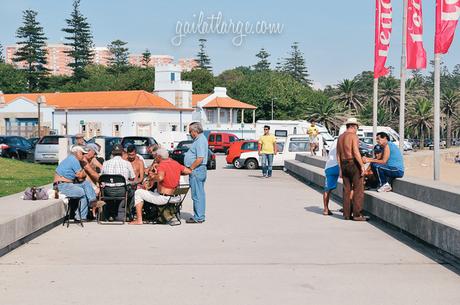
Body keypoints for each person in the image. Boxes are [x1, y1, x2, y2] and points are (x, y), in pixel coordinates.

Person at [129, 148, 192, 225]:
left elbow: (160, 177)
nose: (155, 158)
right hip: (176, 197)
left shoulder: (162, 165)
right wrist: (177, 173)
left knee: (138, 192)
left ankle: (139, 220)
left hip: (164, 198)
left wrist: (152, 178)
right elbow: (188, 171)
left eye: (156, 156)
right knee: (154, 190)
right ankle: (157, 214)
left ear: (159, 157)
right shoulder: (175, 163)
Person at [54, 147, 97, 221]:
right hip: (62, 186)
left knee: (85, 183)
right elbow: (81, 177)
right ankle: (80, 217)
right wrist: (83, 171)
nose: (83, 156)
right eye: (82, 153)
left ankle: (93, 201)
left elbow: (81, 178)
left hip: (67, 184)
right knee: (82, 192)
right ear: (76, 152)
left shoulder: (72, 159)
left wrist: (82, 173)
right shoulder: (73, 160)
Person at [337, 118, 367, 221]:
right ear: (354, 126)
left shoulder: (340, 137)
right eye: (357, 128)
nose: (356, 130)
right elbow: (355, 151)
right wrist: (362, 166)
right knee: (358, 190)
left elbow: (338, 155)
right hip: (353, 163)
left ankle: (346, 214)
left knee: (346, 190)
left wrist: (340, 169)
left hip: (344, 164)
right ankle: (357, 215)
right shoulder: (353, 136)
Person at [100, 144, 136, 220]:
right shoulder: (127, 163)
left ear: (112, 153)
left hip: (107, 191)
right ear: (122, 152)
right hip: (122, 191)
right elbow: (132, 178)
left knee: (110, 193)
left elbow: (101, 177)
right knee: (133, 191)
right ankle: (129, 214)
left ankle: (111, 215)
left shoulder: (105, 163)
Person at [184, 122, 208, 223]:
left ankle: (198, 217)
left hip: (197, 170)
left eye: (190, 131)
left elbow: (200, 158)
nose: (190, 133)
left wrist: (191, 168)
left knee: (197, 195)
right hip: (198, 170)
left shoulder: (200, 140)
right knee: (199, 194)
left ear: (195, 131)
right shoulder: (199, 140)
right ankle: (199, 216)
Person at [323, 138, 339, 215]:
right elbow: (338, 154)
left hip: (329, 167)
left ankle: (326, 209)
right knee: (347, 186)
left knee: (327, 190)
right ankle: (347, 207)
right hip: (339, 166)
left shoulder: (334, 141)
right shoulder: (343, 140)